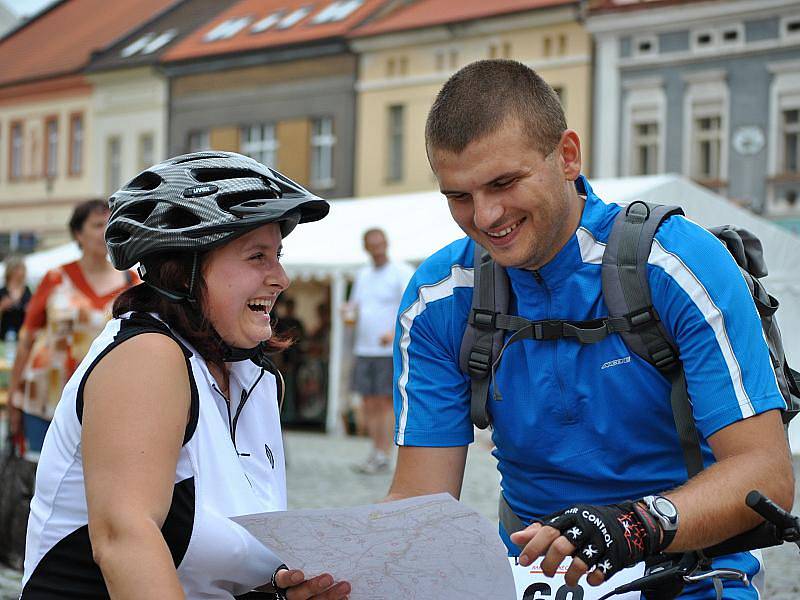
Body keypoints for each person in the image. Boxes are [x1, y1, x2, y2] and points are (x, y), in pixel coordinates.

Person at [386, 59, 794, 599]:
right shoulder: (439, 297)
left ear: (567, 156)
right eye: (458, 196)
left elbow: (765, 473)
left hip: (690, 580)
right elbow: (421, 504)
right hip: (536, 582)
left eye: (504, 183)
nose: (485, 217)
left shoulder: (678, 264)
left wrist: (630, 527)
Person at [21, 151, 351, 599]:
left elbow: (215, 562)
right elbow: (124, 540)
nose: (281, 278)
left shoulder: (254, 379)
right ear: (185, 271)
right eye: (257, 256)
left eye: (278, 255)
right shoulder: (147, 356)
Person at [8, 200, 139, 454]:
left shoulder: (132, 282)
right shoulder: (55, 278)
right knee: (40, 480)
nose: (105, 230)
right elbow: (27, 340)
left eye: (109, 223)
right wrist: (13, 396)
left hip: (105, 402)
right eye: (97, 224)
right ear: (78, 233)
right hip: (45, 398)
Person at [343, 229, 413, 474]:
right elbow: (356, 307)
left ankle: (384, 453)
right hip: (364, 347)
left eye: (380, 243)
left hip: (387, 349)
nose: (377, 248)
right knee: (368, 402)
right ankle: (375, 450)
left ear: (387, 243)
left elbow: (410, 305)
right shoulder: (363, 275)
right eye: (372, 244)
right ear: (366, 247)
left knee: (384, 402)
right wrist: (348, 312)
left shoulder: (400, 272)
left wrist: (395, 333)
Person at [0, 255, 32, 341]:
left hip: (23, 336)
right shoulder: (2, 292)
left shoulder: (27, 290)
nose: (21, 272)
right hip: (4, 336)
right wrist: (2, 307)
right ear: (11, 271)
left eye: (22, 269)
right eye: (18, 269)